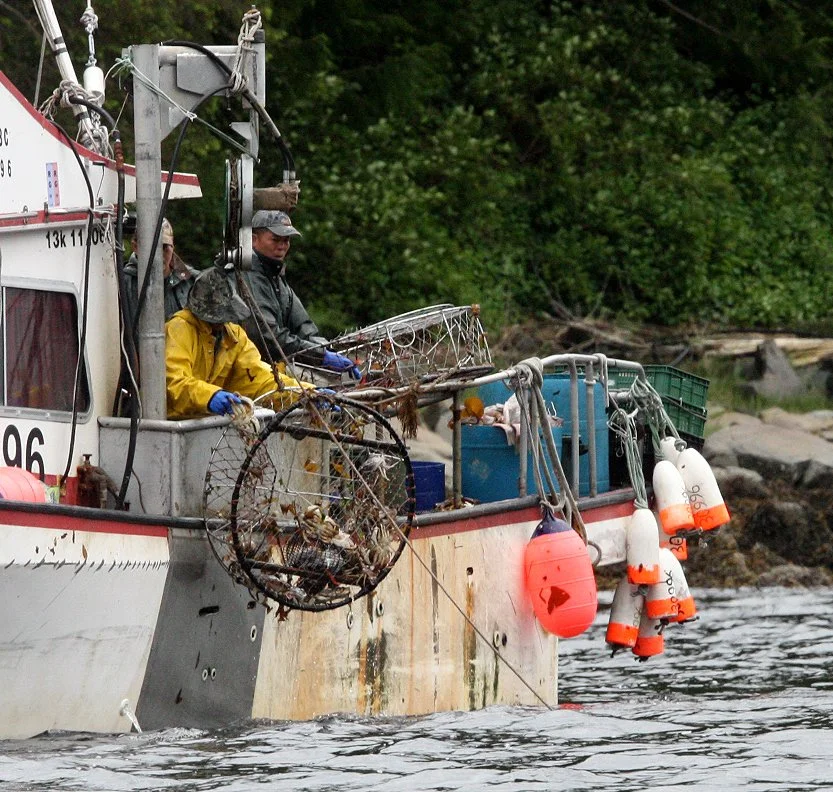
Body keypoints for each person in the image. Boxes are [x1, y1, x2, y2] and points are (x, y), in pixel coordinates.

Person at [165, 267, 313, 419]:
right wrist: (210, 396)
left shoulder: (233, 336)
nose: (222, 322)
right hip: (173, 427)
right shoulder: (179, 328)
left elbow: (262, 380)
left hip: (210, 425)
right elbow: (175, 383)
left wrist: (307, 393)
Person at [236, 209, 360, 378]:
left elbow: (303, 325)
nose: (282, 245)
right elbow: (266, 335)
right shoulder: (247, 276)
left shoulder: (276, 276)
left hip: (271, 368)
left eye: (286, 240)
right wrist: (319, 356)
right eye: (275, 239)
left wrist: (326, 349)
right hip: (246, 371)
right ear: (254, 240)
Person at [125, 217, 198, 326]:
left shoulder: (194, 282)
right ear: (136, 247)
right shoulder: (122, 285)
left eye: (164, 247)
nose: (158, 255)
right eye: (152, 248)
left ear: (172, 247)